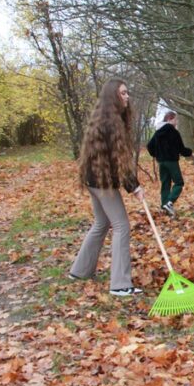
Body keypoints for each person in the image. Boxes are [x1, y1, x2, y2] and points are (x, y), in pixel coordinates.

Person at [69, 79, 144, 296]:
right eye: (122, 93)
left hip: (93, 181)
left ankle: (80, 270)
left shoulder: (103, 119)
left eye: (127, 92)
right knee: (122, 226)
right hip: (102, 183)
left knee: (101, 223)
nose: (127, 96)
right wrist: (135, 187)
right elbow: (119, 161)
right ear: (113, 97)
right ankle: (120, 284)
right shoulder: (112, 124)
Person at [146, 111, 192, 217]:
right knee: (179, 183)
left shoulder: (158, 132)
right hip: (171, 161)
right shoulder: (174, 132)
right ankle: (170, 202)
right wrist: (189, 152)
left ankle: (164, 207)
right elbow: (182, 149)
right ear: (169, 119)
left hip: (161, 162)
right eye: (176, 119)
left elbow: (149, 146)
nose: (177, 122)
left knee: (165, 183)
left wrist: (157, 154)